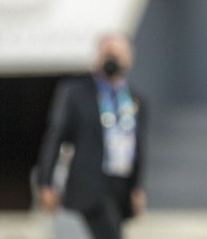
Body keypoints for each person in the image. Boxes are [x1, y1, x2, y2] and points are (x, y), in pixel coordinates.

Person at [36, 33, 147, 239]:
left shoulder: (134, 98)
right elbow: (56, 137)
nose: (113, 59)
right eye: (108, 53)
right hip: (93, 184)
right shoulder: (77, 93)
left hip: (120, 184)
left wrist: (137, 187)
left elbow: (138, 147)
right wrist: (46, 182)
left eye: (119, 53)